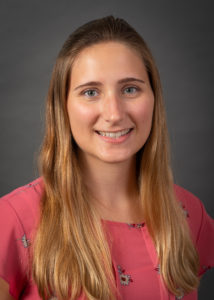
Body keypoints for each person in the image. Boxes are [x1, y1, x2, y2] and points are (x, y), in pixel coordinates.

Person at [0, 15, 213, 300]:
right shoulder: (11, 221)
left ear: (154, 98)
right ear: (62, 107)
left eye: (130, 89)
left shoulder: (188, 213)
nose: (113, 114)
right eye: (90, 92)